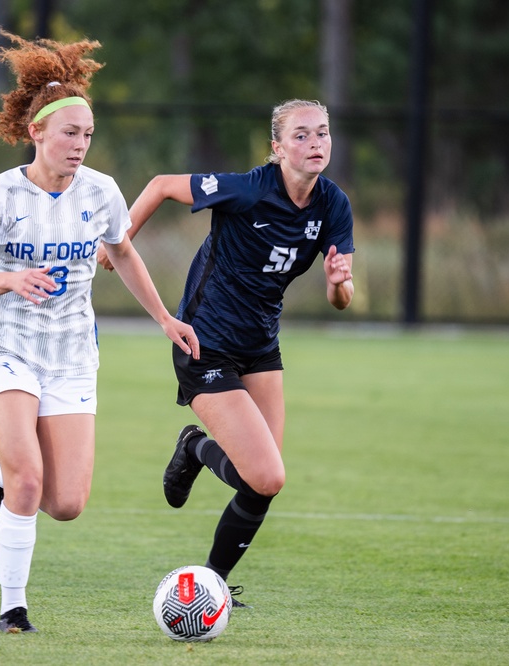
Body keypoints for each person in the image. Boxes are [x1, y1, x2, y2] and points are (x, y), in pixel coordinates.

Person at [0, 30, 199, 634]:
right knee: (31, 483)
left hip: (70, 355)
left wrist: (165, 317)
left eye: (87, 134)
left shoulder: (102, 191)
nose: (80, 144)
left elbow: (125, 253)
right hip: (3, 346)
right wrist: (9, 279)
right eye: (69, 133)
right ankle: (13, 609)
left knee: (66, 504)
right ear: (37, 133)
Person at [99, 99, 355, 607]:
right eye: (301, 136)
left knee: (262, 481)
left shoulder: (333, 204)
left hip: (261, 347)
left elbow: (341, 299)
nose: (315, 144)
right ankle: (195, 447)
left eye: (322, 134)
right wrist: (118, 240)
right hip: (204, 342)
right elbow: (161, 185)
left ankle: (211, 583)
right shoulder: (249, 188)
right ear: (277, 148)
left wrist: (338, 285)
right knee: (267, 474)